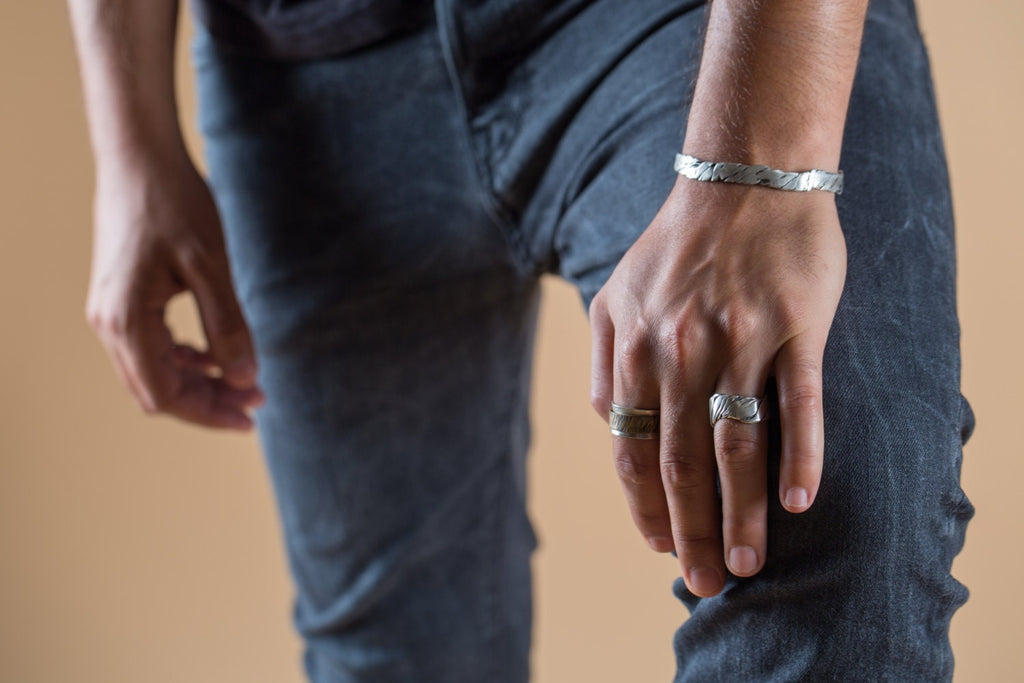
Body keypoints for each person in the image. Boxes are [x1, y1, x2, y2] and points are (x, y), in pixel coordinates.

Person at [67, 0, 975, 680]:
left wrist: (759, 163)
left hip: (686, 23)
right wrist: (129, 140)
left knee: (821, 494)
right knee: (399, 654)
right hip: (303, 56)